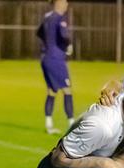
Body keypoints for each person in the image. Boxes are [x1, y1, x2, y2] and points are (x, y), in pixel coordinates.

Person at [37, 0, 74, 134]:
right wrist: (68, 46)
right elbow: (64, 35)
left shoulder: (47, 17)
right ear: (58, 3)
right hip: (55, 60)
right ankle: (71, 125)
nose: (66, 5)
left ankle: (49, 124)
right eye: (64, 2)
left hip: (45, 58)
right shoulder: (59, 18)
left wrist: (47, 45)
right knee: (67, 90)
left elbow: (39, 33)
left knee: (52, 91)